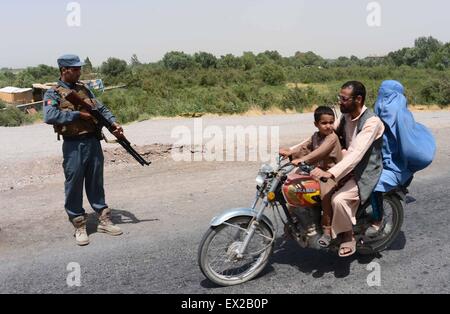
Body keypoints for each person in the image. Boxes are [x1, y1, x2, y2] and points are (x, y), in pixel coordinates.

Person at [43, 54, 123, 246]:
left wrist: (113, 123)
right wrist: (78, 114)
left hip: (93, 141)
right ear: (64, 70)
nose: (79, 72)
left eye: (80, 69)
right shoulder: (53, 93)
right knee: (74, 183)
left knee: (96, 180)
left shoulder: (84, 89)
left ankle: (103, 218)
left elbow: (100, 109)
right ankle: (79, 223)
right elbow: (50, 115)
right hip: (73, 144)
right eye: (75, 69)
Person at [310, 81, 385, 257]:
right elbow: (324, 135)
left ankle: (347, 236)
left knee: (338, 199)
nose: (340, 102)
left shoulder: (371, 122)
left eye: (343, 98)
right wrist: (294, 151)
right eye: (339, 97)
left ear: (358, 99)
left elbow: (356, 154)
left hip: (364, 171)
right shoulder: (345, 117)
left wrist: (330, 173)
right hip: (345, 167)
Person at [366, 80, 436, 236]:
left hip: (396, 167)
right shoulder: (379, 114)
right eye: (381, 94)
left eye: (387, 95)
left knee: (372, 185)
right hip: (379, 162)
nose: (384, 101)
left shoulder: (401, 115)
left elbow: (410, 145)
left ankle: (378, 221)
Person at [279, 106, 343, 247]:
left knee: (326, 195)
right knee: (294, 184)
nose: (328, 126)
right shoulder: (315, 136)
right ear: (316, 124)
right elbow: (304, 148)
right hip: (316, 172)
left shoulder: (332, 137)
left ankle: (327, 230)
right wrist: (289, 152)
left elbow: (319, 152)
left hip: (332, 174)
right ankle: (297, 220)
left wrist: (303, 160)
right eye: (324, 123)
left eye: (331, 122)